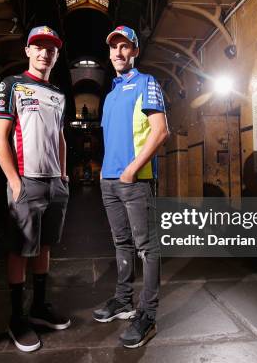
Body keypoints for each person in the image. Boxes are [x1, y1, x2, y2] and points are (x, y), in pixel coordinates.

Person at [0, 25, 70, 352]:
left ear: (55, 54)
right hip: (26, 181)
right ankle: (16, 316)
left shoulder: (58, 94)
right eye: (38, 46)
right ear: (27, 50)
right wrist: (14, 182)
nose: (44, 52)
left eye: (50, 48)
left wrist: (64, 176)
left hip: (54, 184)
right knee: (19, 249)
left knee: (45, 245)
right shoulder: (11, 85)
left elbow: (61, 138)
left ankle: (39, 307)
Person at [92, 25, 169, 348]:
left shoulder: (146, 83)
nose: (119, 53)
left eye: (125, 47)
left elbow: (161, 131)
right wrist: (104, 173)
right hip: (109, 181)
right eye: (114, 47)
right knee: (121, 243)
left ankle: (147, 314)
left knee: (147, 248)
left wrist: (132, 170)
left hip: (135, 181)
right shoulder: (109, 95)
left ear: (135, 51)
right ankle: (123, 300)